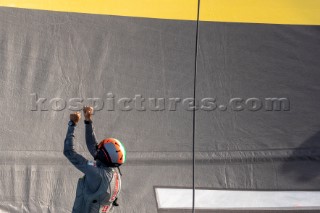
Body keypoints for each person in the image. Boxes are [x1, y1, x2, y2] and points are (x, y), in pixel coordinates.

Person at [64, 106, 126, 213]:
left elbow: (69, 152)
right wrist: (88, 121)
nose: (98, 147)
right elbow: (93, 146)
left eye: (101, 148)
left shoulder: (95, 173)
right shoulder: (115, 174)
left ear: (104, 156)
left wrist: (72, 124)